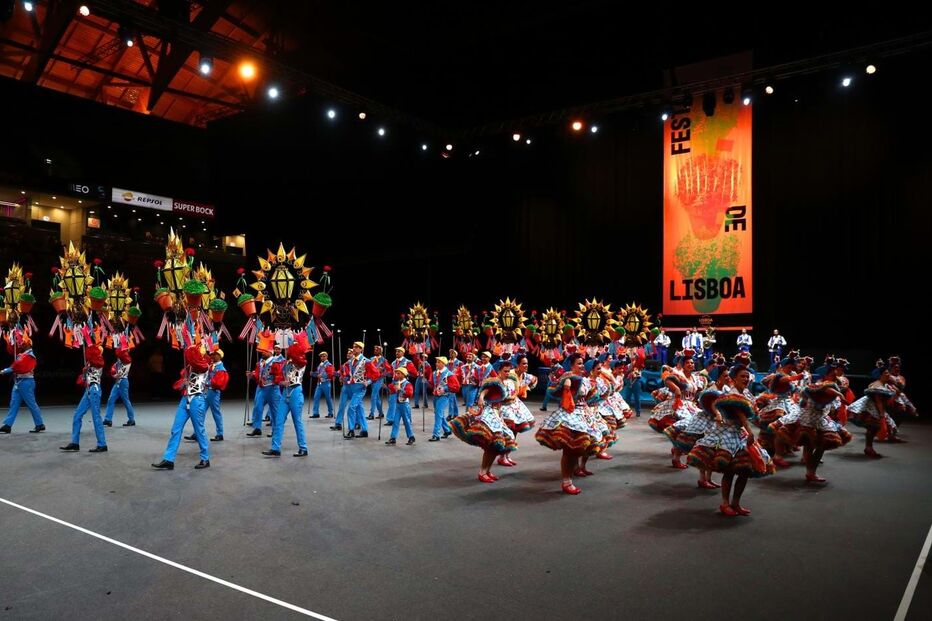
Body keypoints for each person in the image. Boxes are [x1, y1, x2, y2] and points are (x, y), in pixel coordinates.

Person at [687, 388, 775, 516]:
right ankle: (725, 503)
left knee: (744, 471)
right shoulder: (731, 397)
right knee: (730, 471)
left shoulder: (744, 393)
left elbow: (745, 417)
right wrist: (750, 433)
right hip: (729, 436)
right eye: (742, 376)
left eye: (747, 376)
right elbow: (742, 418)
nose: (745, 379)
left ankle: (735, 503)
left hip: (738, 436)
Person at [534, 353, 607, 494]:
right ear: (572, 365)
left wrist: (597, 395)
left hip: (584, 415)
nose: (581, 366)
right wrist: (566, 386)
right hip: (570, 414)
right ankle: (566, 481)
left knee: (579, 447)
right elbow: (555, 392)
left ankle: (574, 471)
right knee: (570, 448)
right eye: (578, 363)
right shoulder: (567, 377)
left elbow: (590, 397)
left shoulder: (585, 380)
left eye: (582, 363)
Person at [152, 344, 212, 470]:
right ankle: (169, 459)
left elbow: (198, 363)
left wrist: (190, 350)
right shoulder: (189, 368)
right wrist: (182, 383)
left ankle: (205, 458)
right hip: (185, 400)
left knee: (199, 430)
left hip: (197, 400)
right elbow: (180, 384)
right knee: (176, 429)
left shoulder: (204, 365)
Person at [451, 375, 516, 483]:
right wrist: (481, 398)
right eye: (505, 371)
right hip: (489, 414)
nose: (507, 373)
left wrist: (501, 417)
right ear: (500, 370)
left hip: (497, 415)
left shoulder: (505, 384)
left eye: (508, 371)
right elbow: (484, 391)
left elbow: (500, 404)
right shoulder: (495, 382)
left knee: (496, 446)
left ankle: (487, 471)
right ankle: (482, 472)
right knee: (490, 445)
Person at [264, 336, 309, 457]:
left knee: (297, 421)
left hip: (295, 391)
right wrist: (280, 382)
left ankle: (303, 447)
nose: (289, 349)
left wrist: (293, 345)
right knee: (278, 420)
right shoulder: (286, 363)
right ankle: (275, 448)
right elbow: (278, 377)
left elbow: (298, 360)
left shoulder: (301, 361)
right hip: (285, 392)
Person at [60, 343, 108, 453]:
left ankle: (102, 444)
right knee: (77, 415)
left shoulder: (99, 360)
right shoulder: (91, 362)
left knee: (96, 417)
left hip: (94, 390)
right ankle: (75, 442)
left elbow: (92, 355)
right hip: (88, 391)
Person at [0, 331, 45, 434]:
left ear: (29, 344)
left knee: (31, 404)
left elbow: (18, 366)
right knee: (13, 404)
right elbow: (16, 365)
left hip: (26, 382)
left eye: (23, 343)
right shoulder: (22, 354)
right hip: (18, 382)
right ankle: (8, 425)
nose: (21, 344)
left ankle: (40, 424)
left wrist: (5, 371)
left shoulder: (30, 356)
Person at [103, 346, 136, 427]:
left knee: (126, 401)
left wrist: (115, 375)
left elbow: (122, 371)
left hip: (123, 382)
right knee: (111, 399)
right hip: (117, 382)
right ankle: (108, 419)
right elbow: (114, 368)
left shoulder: (127, 360)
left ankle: (131, 419)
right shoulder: (120, 359)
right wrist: (113, 372)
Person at [385, 368, 416, 445]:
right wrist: (386, 387)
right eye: (396, 373)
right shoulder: (396, 382)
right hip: (398, 405)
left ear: (403, 374)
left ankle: (411, 436)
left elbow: (409, 394)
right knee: (395, 421)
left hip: (404, 405)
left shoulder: (407, 384)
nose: (396, 375)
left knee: (406, 422)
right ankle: (393, 437)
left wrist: (400, 389)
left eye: (398, 373)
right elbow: (391, 388)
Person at [311, 351, 335, 418]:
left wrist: (321, 375)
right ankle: (316, 413)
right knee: (316, 397)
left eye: (324, 356)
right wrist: (313, 374)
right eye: (321, 356)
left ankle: (330, 412)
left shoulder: (329, 365)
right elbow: (318, 373)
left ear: (326, 356)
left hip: (326, 383)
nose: (322, 357)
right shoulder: (320, 364)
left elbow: (330, 374)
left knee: (328, 398)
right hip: (319, 384)